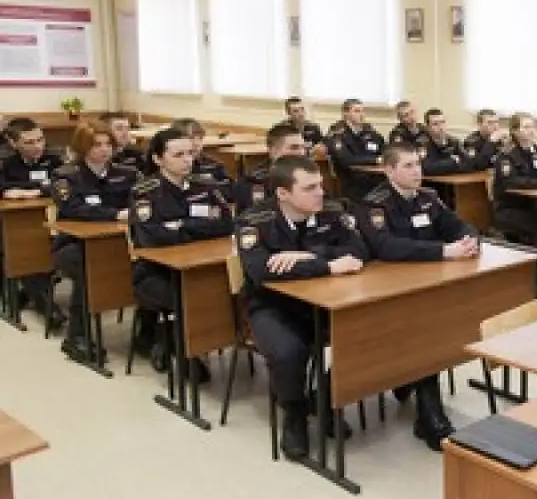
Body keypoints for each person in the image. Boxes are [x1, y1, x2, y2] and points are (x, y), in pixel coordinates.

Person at [236, 156, 367, 460]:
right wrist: (328, 265)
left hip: (326, 303)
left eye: (320, 184)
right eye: (310, 188)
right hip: (273, 307)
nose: (320, 192)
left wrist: (307, 256)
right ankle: (294, 413)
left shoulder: (332, 213)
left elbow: (360, 251)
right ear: (283, 193)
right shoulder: (254, 221)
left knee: (366, 331)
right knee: (288, 352)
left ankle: (325, 397)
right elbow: (260, 270)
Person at [354, 143, 478, 450]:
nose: (417, 172)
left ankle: (414, 387)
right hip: (385, 292)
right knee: (425, 330)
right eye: (408, 166)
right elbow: (386, 247)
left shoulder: (428, 197)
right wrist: (443, 251)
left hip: (425, 287)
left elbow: (456, 224)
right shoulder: (374, 205)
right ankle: (429, 413)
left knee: (434, 324)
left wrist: (469, 239)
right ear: (389, 170)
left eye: (418, 164)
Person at [128, 128, 235, 377]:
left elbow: (226, 225)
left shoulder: (205, 186)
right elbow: (151, 238)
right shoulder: (145, 192)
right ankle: (180, 346)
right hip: (156, 273)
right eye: (178, 155)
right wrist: (200, 227)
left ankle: (182, 341)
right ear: (158, 159)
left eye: (190, 153)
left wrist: (181, 226)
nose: (188, 160)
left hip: (201, 265)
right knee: (191, 295)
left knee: (224, 290)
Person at [52, 121, 139, 361]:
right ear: (83, 147)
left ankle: (148, 333)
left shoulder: (127, 174)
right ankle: (76, 335)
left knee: (149, 267)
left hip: (120, 242)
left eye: (108, 144)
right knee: (89, 267)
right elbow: (72, 208)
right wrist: (114, 214)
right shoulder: (65, 176)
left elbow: (142, 202)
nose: (104, 150)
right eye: (97, 145)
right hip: (72, 245)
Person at [0, 117, 65, 327]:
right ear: (13, 143)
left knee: (41, 253)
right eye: (29, 142)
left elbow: (61, 185)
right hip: (18, 224)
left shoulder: (54, 159)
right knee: (26, 252)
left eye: (40, 140)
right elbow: (3, 189)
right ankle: (48, 309)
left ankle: (31, 295)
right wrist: (40, 187)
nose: (37, 146)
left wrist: (26, 190)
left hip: (53, 220)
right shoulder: (7, 164)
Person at [492, 112, 537, 246]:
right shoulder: (507, 154)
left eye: (533, 127)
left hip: (534, 204)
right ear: (515, 131)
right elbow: (511, 182)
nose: (531, 130)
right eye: (526, 127)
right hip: (511, 207)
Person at [235, 122, 307, 213]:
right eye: (294, 148)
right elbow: (258, 216)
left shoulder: (309, 176)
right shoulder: (255, 182)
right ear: (273, 151)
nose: (301, 153)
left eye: (303, 147)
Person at [326, 99, 387, 203]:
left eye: (363, 111)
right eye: (357, 111)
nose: (362, 114)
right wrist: (376, 160)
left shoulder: (369, 130)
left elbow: (385, 149)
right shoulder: (337, 132)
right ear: (345, 114)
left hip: (375, 177)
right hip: (352, 180)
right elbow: (346, 160)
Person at [170, 118, 234, 200]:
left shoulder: (213, 165)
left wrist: (211, 187)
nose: (197, 143)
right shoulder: (165, 166)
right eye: (191, 138)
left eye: (200, 138)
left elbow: (231, 193)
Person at [419, 108, 468, 176]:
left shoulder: (453, 141)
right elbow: (426, 168)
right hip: (432, 181)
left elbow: (468, 163)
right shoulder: (422, 143)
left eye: (443, 122)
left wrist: (442, 165)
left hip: (453, 179)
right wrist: (454, 161)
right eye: (435, 124)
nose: (441, 127)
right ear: (427, 127)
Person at [462, 108, 503, 172]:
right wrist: (491, 142)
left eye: (496, 122)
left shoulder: (501, 140)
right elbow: (479, 165)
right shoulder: (471, 142)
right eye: (490, 123)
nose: (495, 126)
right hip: (478, 176)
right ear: (479, 125)